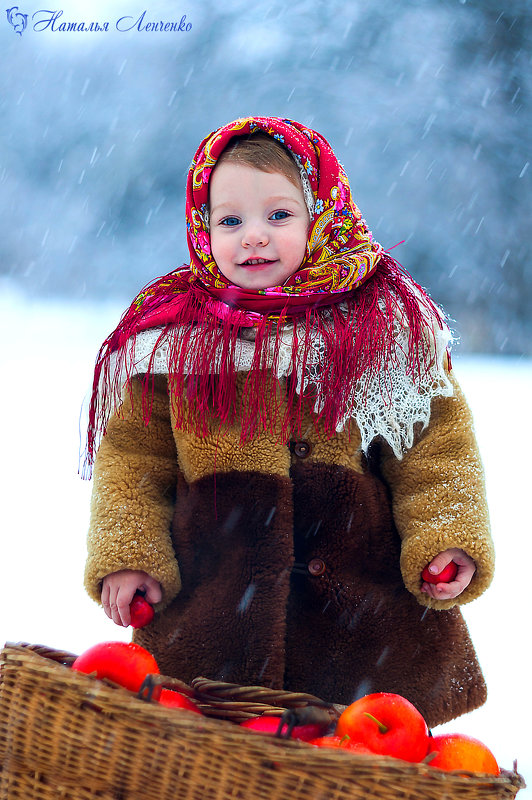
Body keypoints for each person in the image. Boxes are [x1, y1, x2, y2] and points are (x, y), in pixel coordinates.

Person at [83, 116, 494, 727]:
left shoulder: (378, 327)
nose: (253, 237)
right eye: (229, 221)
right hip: (217, 609)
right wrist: (131, 553)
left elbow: (433, 446)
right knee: (211, 754)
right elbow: (133, 462)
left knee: (359, 749)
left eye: (278, 215)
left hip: (359, 616)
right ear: (202, 230)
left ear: (323, 217)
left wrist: (446, 537)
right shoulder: (176, 341)